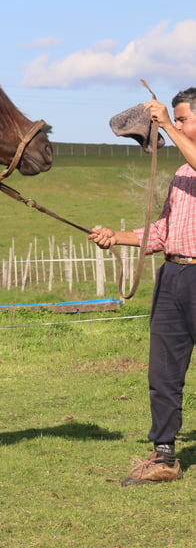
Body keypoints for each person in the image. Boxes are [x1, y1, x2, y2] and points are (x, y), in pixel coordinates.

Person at [89, 87, 196, 486]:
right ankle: (165, 455)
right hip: (174, 276)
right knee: (164, 370)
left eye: (184, 118)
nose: (177, 125)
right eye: (177, 119)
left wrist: (166, 123)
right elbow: (165, 231)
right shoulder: (182, 174)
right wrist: (117, 236)